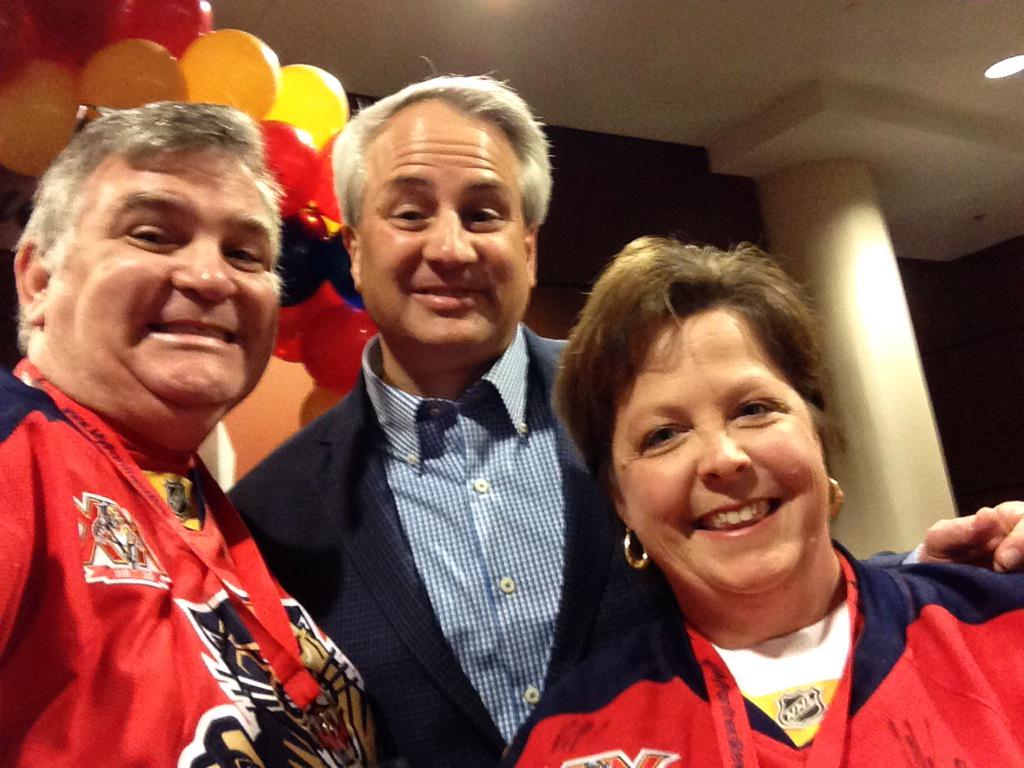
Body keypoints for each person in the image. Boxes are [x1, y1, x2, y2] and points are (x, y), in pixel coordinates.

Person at [230, 75, 1024, 767]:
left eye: (483, 214)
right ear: (354, 245)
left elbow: (760, 567)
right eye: (410, 213)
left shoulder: (635, 399)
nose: (451, 247)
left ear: (529, 247)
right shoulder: (271, 516)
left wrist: (926, 584)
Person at [504, 237, 1024, 766]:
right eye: (663, 436)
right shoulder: (562, 738)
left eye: (753, 409)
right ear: (620, 501)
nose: (723, 458)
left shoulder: (1006, 625)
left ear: (815, 433)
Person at [0, 102, 376, 767]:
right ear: (39, 280)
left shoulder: (212, 504)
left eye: (244, 253)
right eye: (153, 235)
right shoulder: (13, 456)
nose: (210, 277)